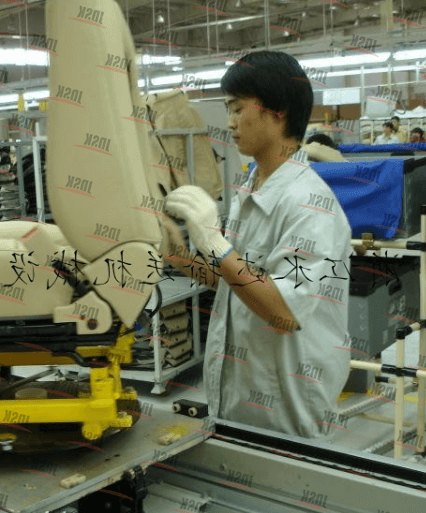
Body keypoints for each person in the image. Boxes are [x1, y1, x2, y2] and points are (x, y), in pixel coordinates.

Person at [162, 51, 351, 438]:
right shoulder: (251, 188)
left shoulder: (309, 204)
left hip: (286, 412)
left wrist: (214, 242)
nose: (229, 123)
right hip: (238, 399)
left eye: (236, 108)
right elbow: (233, 282)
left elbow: (283, 311)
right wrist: (177, 254)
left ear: (277, 110)